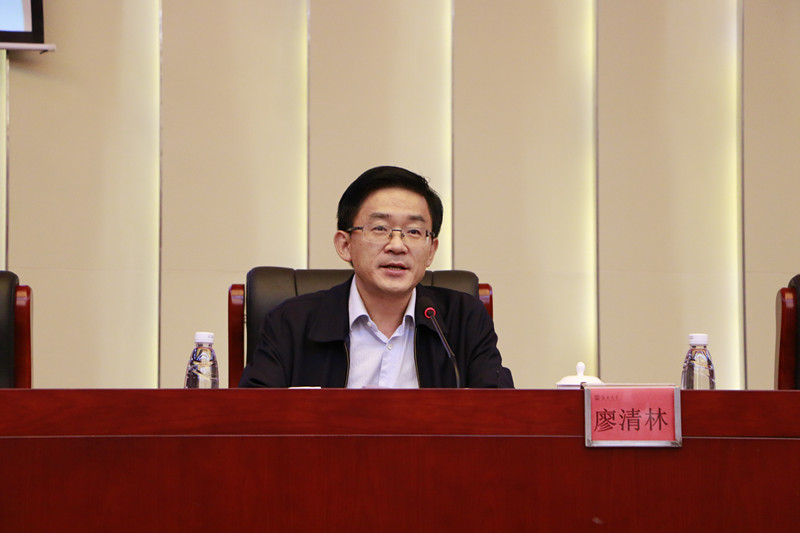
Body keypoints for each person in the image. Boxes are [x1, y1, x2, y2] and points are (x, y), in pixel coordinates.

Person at [239, 166, 513, 388]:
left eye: (414, 232)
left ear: (431, 250)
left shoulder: (463, 320)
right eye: (380, 228)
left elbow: (501, 415)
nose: (397, 245)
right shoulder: (291, 322)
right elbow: (252, 420)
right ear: (345, 245)